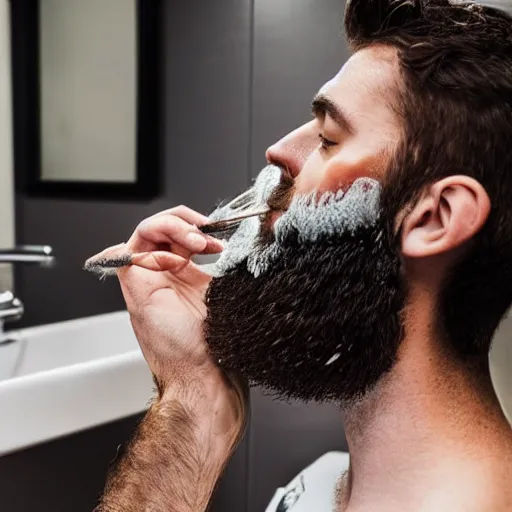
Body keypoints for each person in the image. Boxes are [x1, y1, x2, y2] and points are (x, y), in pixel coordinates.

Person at [91, 0, 512, 510]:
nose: (280, 152)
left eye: (328, 138)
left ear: (434, 217)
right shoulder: (320, 486)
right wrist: (193, 397)